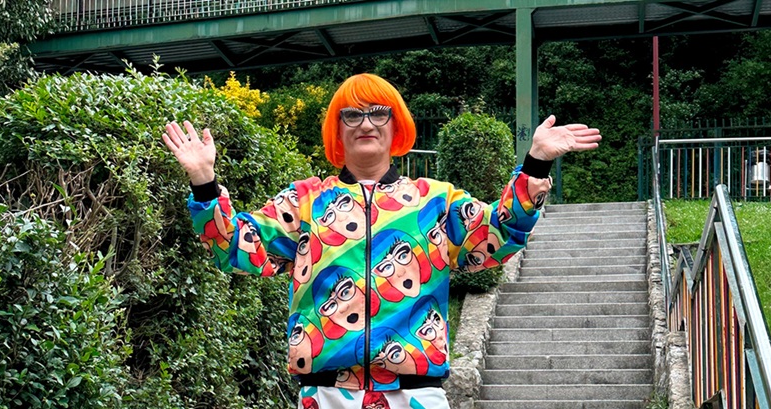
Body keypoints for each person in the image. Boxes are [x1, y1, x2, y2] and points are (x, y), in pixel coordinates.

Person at [161, 73, 601, 409]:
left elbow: (498, 234)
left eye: (378, 112)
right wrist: (203, 181)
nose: (365, 123)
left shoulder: (435, 201)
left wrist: (536, 164)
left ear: (397, 125)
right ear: (337, 130)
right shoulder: (305, 201)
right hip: (326, 395)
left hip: (416, 394)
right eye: (351, 115)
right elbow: (236, 246)